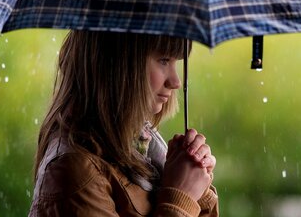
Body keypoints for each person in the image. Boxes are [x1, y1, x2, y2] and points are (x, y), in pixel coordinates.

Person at [28, 31, 218, 216]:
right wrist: (181, 200)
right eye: (163, 60)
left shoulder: (145, 153)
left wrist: (196, 187)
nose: (176, 82)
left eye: (175, 62)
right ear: (117, 64)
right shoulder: (75, 174)